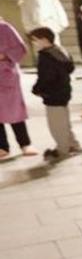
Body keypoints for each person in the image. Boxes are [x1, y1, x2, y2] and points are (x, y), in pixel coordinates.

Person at [27, 27, 82, 159]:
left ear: (44, 40)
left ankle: (63, 150)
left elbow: (46, 77)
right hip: (64, 91)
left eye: (35, 40)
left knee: (56, 125)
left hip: (52, 94)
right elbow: (70, 68)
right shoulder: (60, 51)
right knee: (64, 121)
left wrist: (37, 89)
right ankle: (73, 145)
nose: (34, 43)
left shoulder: (45, 56)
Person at [0, 14, 35, 159]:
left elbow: (20, 48)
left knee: (14, 110)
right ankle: (2, 146)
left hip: (5, 73)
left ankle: (25, 143)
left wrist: (3, 55)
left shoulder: (5, 28)